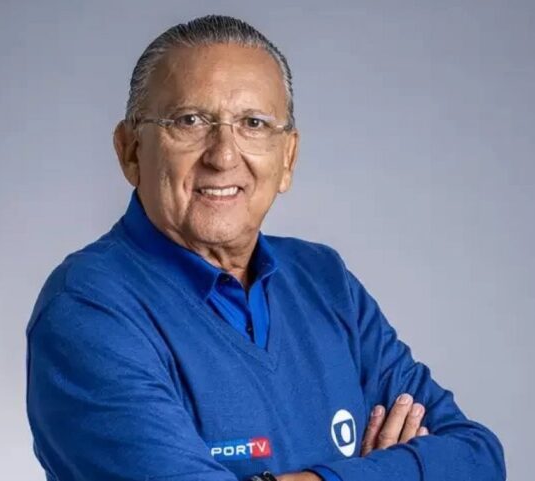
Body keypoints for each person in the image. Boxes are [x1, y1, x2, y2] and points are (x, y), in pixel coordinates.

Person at [25, 14, 506, 481]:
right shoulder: (87, 310)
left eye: (253, 123)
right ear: (130, 150)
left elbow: (478, 458)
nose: (223, 156)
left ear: (288, 157)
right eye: (190, 120)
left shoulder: (325, 281)